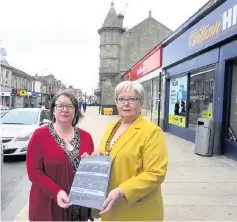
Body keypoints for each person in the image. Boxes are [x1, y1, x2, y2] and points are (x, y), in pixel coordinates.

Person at [94, 81, 168, 221]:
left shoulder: (151, 132)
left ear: (140, 102)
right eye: (121, 99)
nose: (126, 103)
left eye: (132, 99)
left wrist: (122, 190)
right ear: (116, 102)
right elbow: (108, 152)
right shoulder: (111, 127)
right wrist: (94, 157)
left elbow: (156, 173)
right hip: (110, 207)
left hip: (136, 209)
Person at [26, 90, 94, 221]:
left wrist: (92, 163)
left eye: (69, 106)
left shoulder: (86, 137)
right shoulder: (39, 136)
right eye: (60, 105)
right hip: (49, 205)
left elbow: (90, 173)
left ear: (76, 110)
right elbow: (34, 172)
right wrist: (56, 192)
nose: (65, 109)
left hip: (79, 208)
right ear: (53, 110)